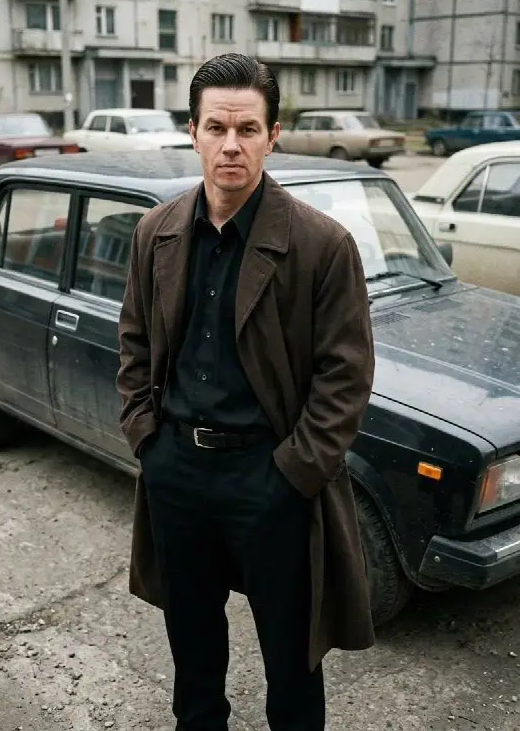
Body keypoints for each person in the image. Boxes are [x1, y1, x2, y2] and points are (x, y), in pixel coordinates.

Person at [117, 52, 375, 731]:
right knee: (193, 658)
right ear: (193, 132)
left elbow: (344, 378)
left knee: (292, 664)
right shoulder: (156, 232)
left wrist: (291, 475)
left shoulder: (321, 245)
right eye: (215, 128)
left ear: (272, 134)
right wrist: (147, 439)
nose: (230, 145)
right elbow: (135, 344)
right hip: (177, 474)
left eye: (247, 129)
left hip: (271, 483)